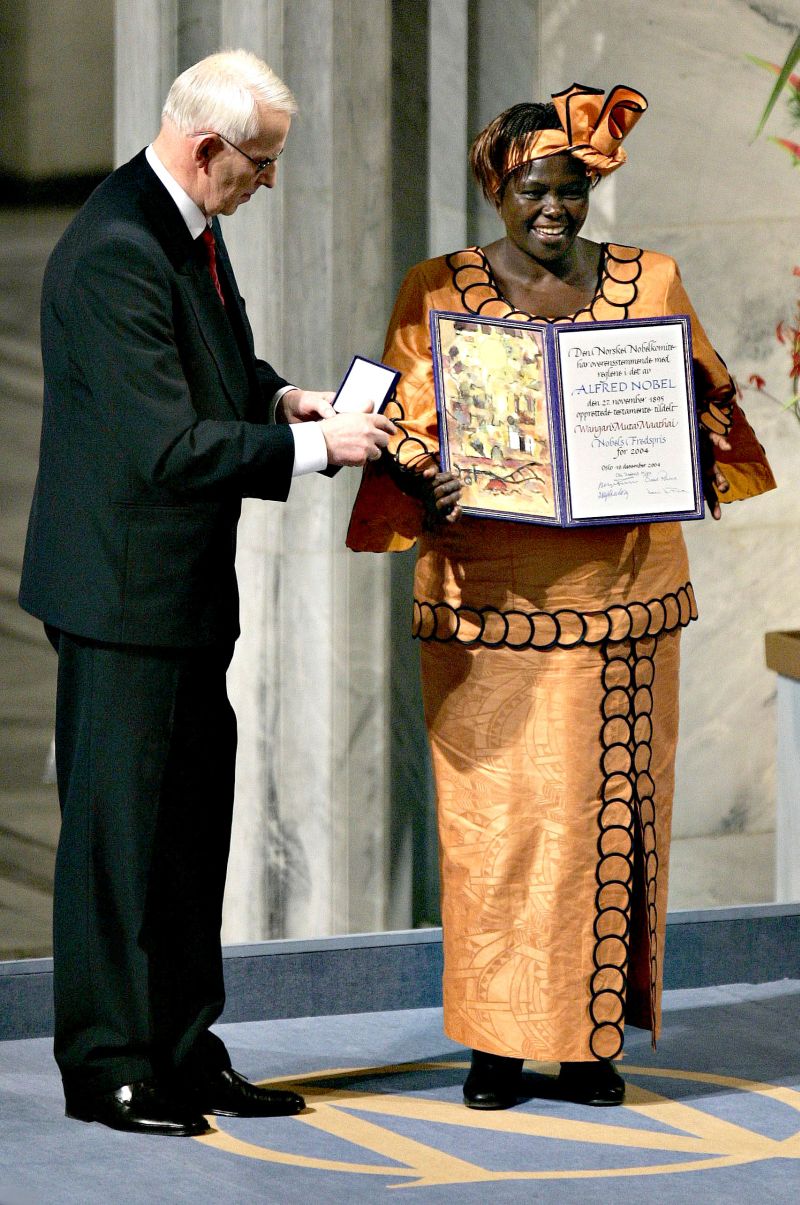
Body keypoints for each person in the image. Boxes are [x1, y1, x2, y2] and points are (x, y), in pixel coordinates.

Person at [346, 84, 775, 1109]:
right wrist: (424, 470)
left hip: (620, 600)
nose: (555, 209)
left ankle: (587, 1046)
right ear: (497, 189)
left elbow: (709, 401)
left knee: (604, 816)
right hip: (486, 602)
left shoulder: (648, 278)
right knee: (493, 828)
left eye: (572, 189)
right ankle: (494, 1048)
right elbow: (400, 418)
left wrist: (673, 439)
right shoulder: (436, 287)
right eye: (536, 190)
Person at [18, 49, 395, 1137]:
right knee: (118, 845)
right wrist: (321, 450)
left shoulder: (184, 221)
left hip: (177, 592)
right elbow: (166, 446)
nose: (267, 182)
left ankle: (184, 1048)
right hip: (120, 597)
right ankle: (109, 1064)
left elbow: (210, 371)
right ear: (204, 149)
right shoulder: (115, 250)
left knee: (186, 834)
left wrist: (281, 398)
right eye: (260, 164)